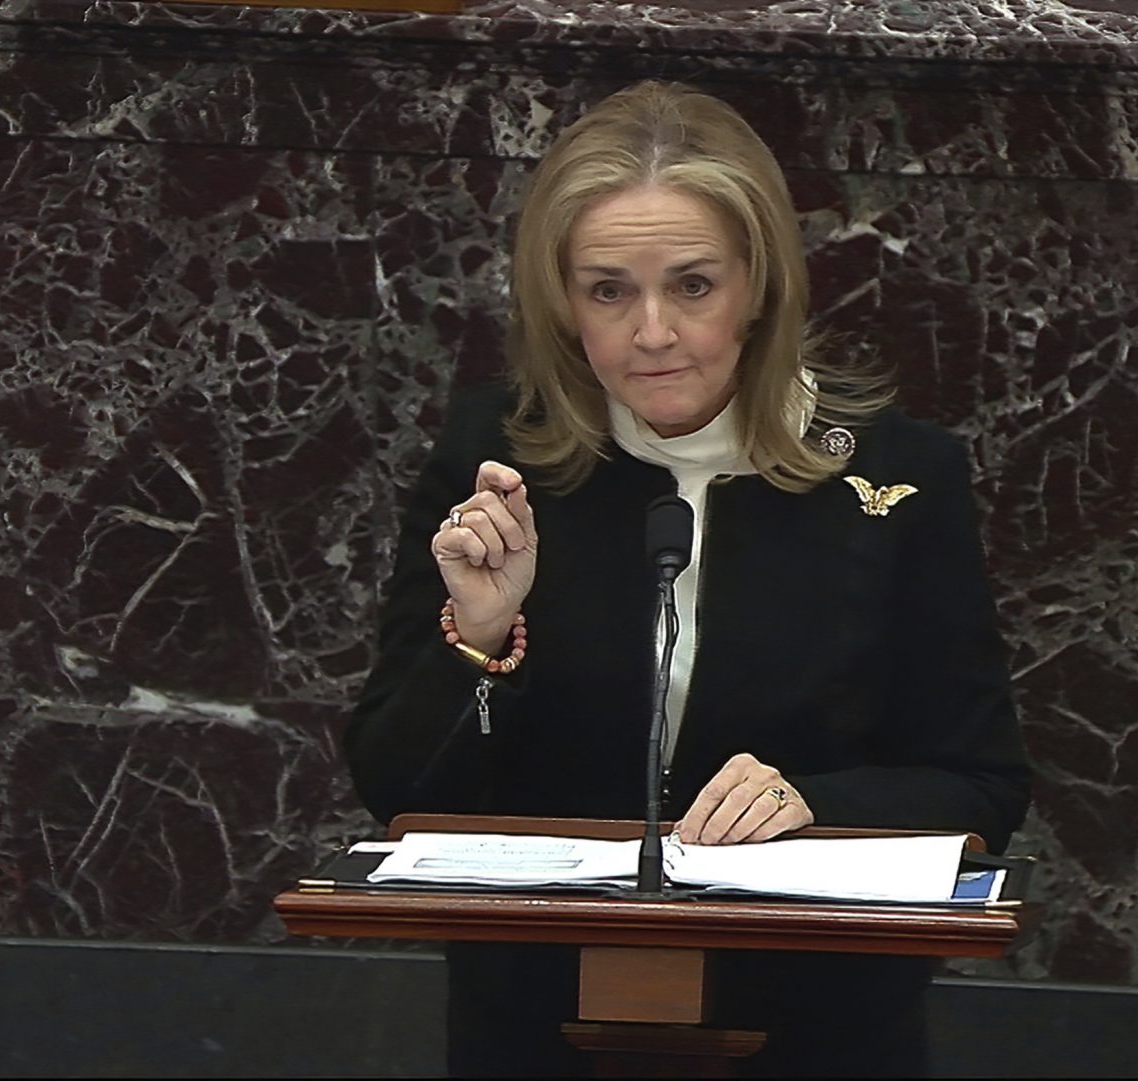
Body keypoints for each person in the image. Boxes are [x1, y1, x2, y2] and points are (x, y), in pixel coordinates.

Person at [346, 80, 1029, 1078]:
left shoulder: (898, 475)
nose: (652, 332)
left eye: (694, 286)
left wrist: (811, 801)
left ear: (757, 284)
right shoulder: (500, 461)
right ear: (561, 298)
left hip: (817, 1016)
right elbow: (394, 786)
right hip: (541, 1011)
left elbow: (983, 780)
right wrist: (482, 641)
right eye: (609, 289)